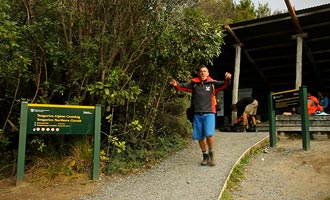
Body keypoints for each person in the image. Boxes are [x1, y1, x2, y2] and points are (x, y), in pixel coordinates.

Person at [169, 65, 232, 166]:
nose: (203, 73)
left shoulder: (212, 84)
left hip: (210, 113)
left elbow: (225, 85)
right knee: (200, 136)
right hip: (197, 114)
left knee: (209, 134)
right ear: (199, 73)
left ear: (208, 73)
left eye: (205, 71)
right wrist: (176, 84)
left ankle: (211, 154)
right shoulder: (194, 84)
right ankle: (205, 156)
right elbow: (182, 87)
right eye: (201, 71)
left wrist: (228, 79)